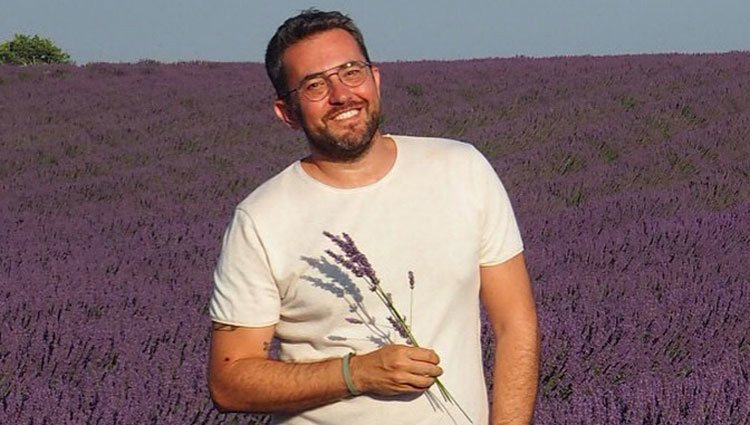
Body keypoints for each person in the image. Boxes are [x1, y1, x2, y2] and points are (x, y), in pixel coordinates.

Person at [207, 9, 539, 425]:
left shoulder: (461, 169)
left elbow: (516, 323)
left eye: (351, 72)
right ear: (286, 112)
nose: (342, 94)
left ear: (375, 79)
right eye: (314, 85)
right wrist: (356, 373)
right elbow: (229, 380)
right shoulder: (261, 220)